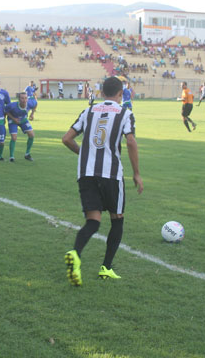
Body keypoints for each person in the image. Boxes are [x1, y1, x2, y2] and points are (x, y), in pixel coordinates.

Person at [61, 76, 143, 286]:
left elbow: (66, 139)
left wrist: (83, 154)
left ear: (102, 92)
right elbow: (131, 142)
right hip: (111, 174)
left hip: (86, 173)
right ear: (120, 93)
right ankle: (106, 268)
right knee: (117, 218)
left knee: (93, 221)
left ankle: (76, 253)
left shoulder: (88, 111)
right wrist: (136, 173)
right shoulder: (125, 113)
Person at [5, 92, 35, 162]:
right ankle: (11, 157)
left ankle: (27, 154)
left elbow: (35, 105)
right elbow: (6, 111)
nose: (24, 100)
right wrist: (13, 119)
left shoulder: (30, 103)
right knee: (14, 137)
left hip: (23, 120)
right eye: (22, 98)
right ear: (19, 99)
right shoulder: (12, 105)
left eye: (25, 98)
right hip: (13, 120)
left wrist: (32, 114)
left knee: (31, 135)